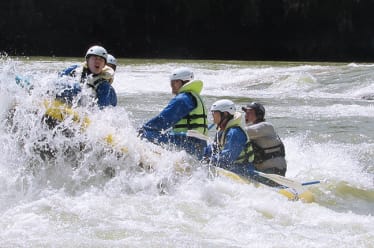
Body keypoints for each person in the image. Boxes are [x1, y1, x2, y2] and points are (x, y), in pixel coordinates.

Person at [139, 67, 209, 159]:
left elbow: (162, 120)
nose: (171, 85)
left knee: (145, 132)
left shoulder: (183, 99)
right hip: (199, 146)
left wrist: (140, 131)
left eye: (174, 82)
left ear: (182, 82)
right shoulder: (195, 97)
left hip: (187, 143)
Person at [203, 99, 254, 176]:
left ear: (225, 114)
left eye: (214, 112)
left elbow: (228, 158)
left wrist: (210, 160)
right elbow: (213, 148)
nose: (212, 115)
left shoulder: (235, 133)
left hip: (243, 170)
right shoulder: (222, 131)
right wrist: (203, 155)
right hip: (232, 168)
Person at [242, 102, 287, 176]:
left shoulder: (266, 126)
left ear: (259, 115)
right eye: (246, 113)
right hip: (262, 171)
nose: (246, 115)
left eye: (249, 112)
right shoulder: (255, 130)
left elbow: (243, 132)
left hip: (275, 171)